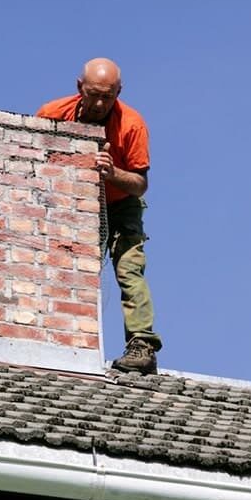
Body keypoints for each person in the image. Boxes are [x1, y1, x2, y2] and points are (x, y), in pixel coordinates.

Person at [37, 57, 162, 375]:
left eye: (108, 96)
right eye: (94, 94)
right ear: (80, 87)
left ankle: (142, 346)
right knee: (66, 265)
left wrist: (111, 173)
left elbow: (140, 185)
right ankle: (54, 333)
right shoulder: (52, 115)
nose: (100, 103)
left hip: (121, 205)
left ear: (119, 92)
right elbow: (32, 156)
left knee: (130, 269)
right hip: (72, 198)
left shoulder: (131, 125)